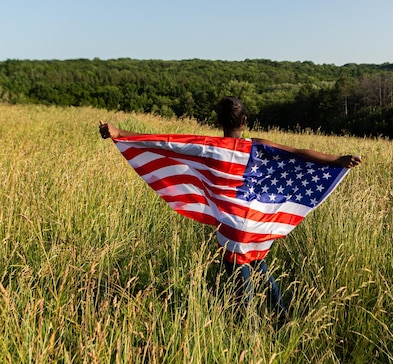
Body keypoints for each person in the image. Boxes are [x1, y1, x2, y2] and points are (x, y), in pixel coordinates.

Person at [99, 96, 361, 327]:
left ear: (219, 120)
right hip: (258, 225)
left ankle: (247, 326)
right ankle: (283, 316)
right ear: (244, 121)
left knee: (240, 278)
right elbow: (297, 153)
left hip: (232, 228)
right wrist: (337, 160)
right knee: (260, 264)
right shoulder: (258, 146)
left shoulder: (208, 146)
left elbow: (166, 144)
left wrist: (120, 132)